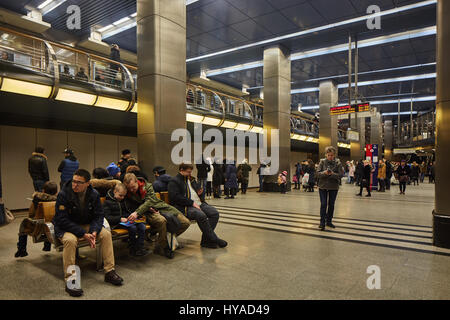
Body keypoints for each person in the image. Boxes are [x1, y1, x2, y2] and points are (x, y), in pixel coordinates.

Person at [53, 169, 123, 297]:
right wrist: (83, 233)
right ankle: (71, 280)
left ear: (88, 183)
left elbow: (99, 215)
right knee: (70, 241)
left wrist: (94, 231)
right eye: (74, 181)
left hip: (86, 225)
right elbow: (61, 220)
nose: (75, 185)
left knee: (106, 234)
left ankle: (109, 272)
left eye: (79, 182)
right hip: (67, 227)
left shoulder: (93, 194)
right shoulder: (64, 194)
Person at [123, 173, 190, 259]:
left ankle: (164, 239)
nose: (132, 190)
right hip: (146, 212)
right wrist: (139, 211)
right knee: (161, 221)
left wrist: (137, 212)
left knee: (185, 222)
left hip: (160, 207)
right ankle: (164, 246)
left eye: (133, 187)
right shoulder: (127, 191)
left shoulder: (147, 186)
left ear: (137, 182)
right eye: (129, 188)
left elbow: (149, 201)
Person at [168, 163, 227, 249]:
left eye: (190, 172)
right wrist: (191, 202)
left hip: (199, 203)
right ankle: (214, 239)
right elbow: (174, 197)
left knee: (214, 213)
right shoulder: (175, 181)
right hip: (185, 206)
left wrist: (200, 192)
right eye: (188, 172)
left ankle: (206, 241)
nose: (190, 174)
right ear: (181, 170)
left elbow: (197, 192)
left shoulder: (191, 179)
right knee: (201, 215)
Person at [15, 181, 58, 258]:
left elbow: (31, 213)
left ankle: (22, 249)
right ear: (56, 192)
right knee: (48, 220)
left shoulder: (37, 199)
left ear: (43, 191)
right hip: (52, 225)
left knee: (23, 224)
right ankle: (47, 246)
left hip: (37, 226)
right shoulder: (58, 200)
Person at [104, 183, 148, 256]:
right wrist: (119, 219)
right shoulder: (107, 202)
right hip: (116, 223)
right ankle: (133, 248)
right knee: (133, 228)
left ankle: (140, 247)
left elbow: (127, 211)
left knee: (142, 226)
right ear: (115, 192)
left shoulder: (123, 201)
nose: (122, 197)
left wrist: (131, 216)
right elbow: (107, 217)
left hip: (125, 221)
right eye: (120, 195)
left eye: (124, 196)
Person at [316, 146, 344, 231]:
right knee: (323, 204)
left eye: (332, 155)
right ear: (326, 155)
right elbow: (317, 174)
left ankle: (329, 221)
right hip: (323, 186)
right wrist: (324, 173)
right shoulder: (322, 162)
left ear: (334, 155)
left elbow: (340, 175)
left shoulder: (338, 163)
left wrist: (332, 174)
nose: (330, 157)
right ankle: (322, 222)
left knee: (331, 205)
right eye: (328, 155)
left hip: (333, 187)